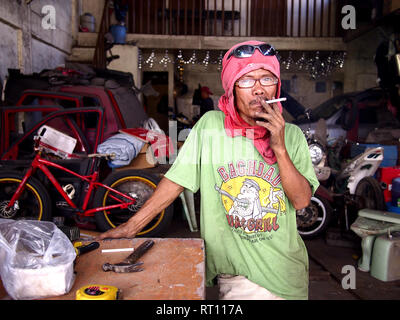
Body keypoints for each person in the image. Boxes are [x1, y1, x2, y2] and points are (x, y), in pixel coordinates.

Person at [97, 40, 319, 300]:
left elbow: (302, 199)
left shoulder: (291, 136)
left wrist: (279, 148)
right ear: (232, 88)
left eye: (267, 79)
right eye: (247, 80)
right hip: (237, 276)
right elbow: (176, 180)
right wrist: (131, 226)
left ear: (277, 86)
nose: (259, 89)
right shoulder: (211, 127)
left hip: (284, 271)